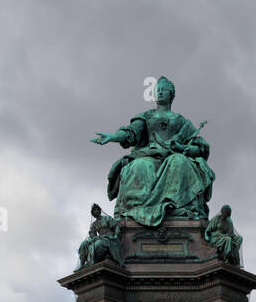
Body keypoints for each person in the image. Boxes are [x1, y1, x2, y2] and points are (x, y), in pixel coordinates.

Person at [91, 77, 214, 227]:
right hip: (150, 156)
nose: (160, 92)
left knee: (179, 162)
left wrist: (186, 149)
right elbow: (131, 133)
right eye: (158, 90)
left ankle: (173, 206)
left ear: (172, 94)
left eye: (164, 89)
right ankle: (137, 211)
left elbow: (198, 146)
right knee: (139, 166)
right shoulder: (146, 116)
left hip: (173, 156)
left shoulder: (182, 121)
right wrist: (112, 137)